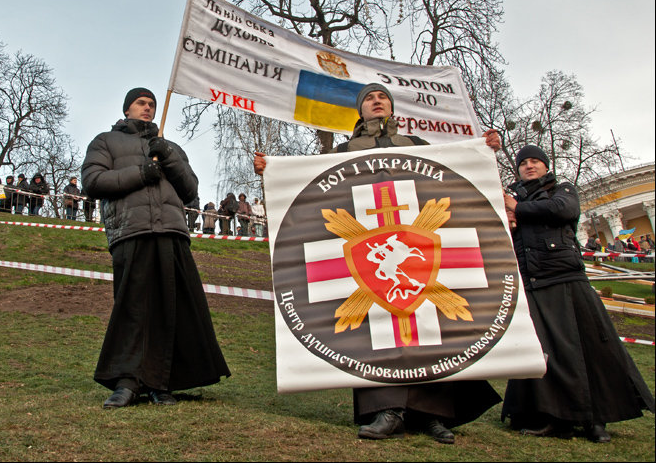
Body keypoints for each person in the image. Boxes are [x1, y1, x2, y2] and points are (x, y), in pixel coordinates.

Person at [254, 82, 503, 444]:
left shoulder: (417, 146)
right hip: (369, 256)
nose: (377, 101)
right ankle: (386, 411)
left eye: (382, 97)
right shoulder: (343, 151)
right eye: (369, 98)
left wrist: (483, 151)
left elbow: (451, 177)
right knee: (376, 334)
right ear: (360, 110)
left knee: (429, 329)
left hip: (417, 245)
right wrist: (272, 171)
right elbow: (312, 190)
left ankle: (432, 414)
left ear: (391, 107)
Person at [81, 87, 230, 409]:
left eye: (151, 104)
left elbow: (190, 190)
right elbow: (93, 182)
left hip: (172, 231)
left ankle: (163, 383)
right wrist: (140, 172)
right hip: (131, 231)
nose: (147, 108)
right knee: (133, 308)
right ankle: (127, 381)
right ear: (127, 109)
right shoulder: (105, 141)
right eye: (141, 103)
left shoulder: (169, 147)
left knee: (173, 308)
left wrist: (169, 156)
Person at [501, 145, 655, 443]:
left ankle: (596, 420)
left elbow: (564, 210)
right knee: (548, 354)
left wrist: (517, 208)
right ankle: (555, 417)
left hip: (566, 277)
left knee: (590, 349)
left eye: (535, 161)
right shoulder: (512, 200)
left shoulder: (563, 189)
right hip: (534, 281)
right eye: (524, 163)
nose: (529, 166)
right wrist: (510, 218)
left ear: (545, 167)